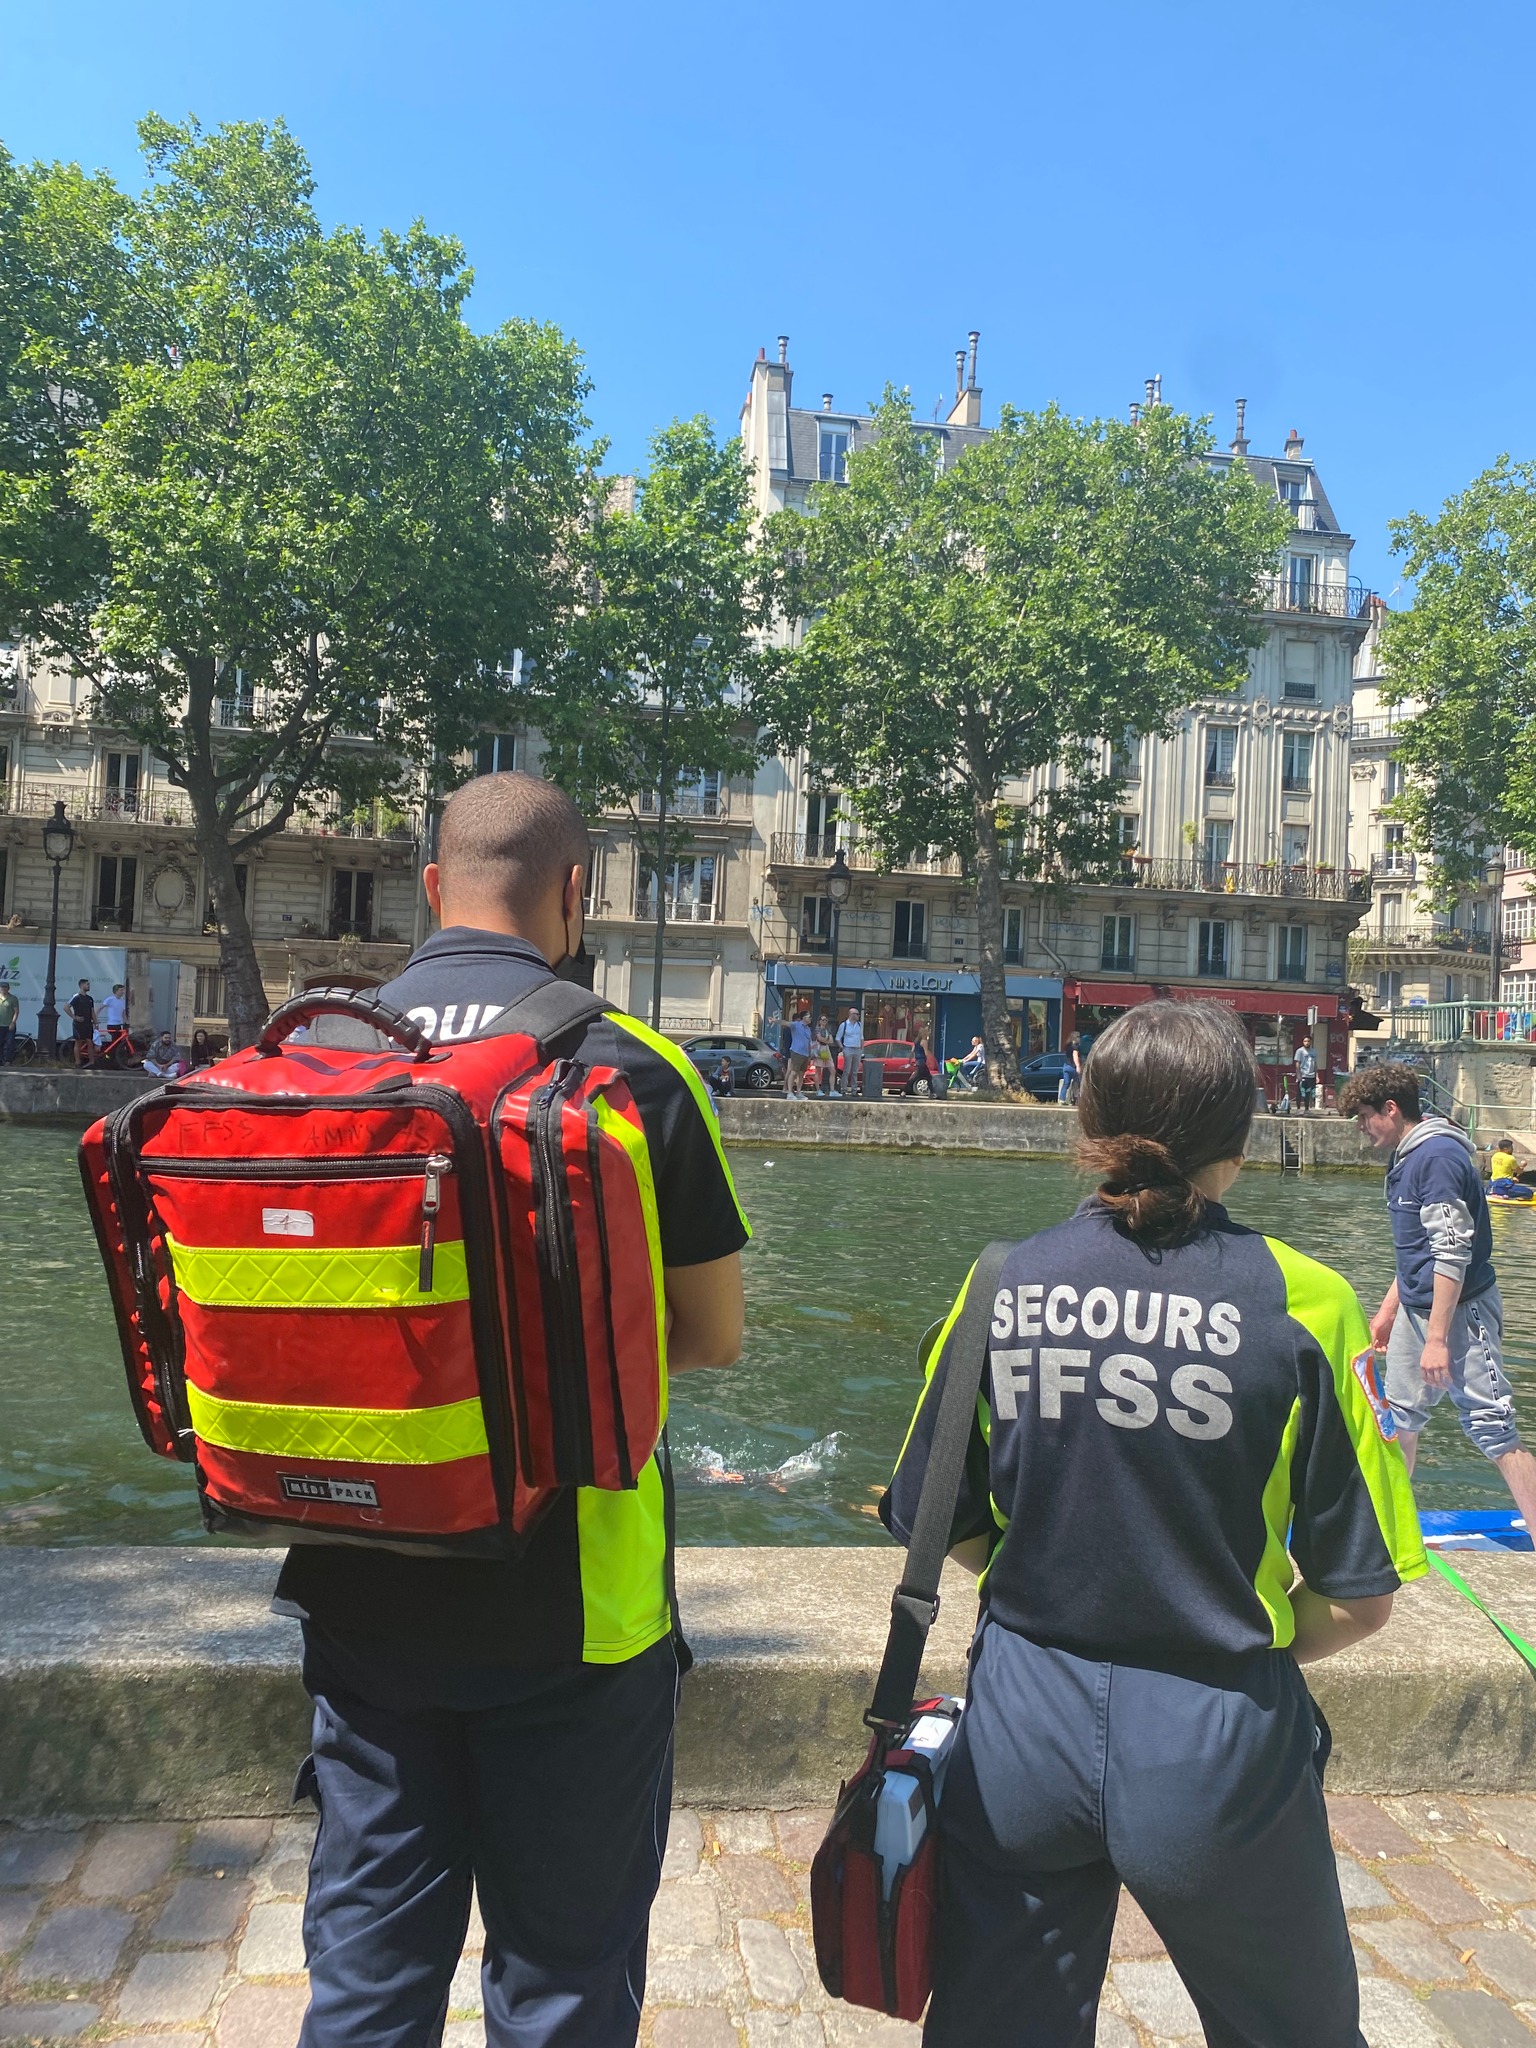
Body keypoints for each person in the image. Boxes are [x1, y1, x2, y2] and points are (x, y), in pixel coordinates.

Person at [283, 770, 749, 2048]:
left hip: (359, 1569)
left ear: (430, 887)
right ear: (576, 897)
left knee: (368, 1974)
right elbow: (708, 1336)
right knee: (562, 1982)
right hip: (580, 1616)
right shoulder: (638, 1070)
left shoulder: (318, 1055)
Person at [884, 1000, 1423, 2048]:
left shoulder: (1001, 1279)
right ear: (1244, 1132)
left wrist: (1036, 1569)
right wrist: (1251, 1627)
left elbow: (932, 1514)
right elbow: (1363, 1596)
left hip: (1022, 1716)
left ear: (1086, 1118)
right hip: (1217, 1727)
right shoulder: (1304, 1302)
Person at [1340, 1063, 1536, 1527]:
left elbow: (1452, 1251)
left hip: (1461, 1312)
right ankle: (1392, 1525)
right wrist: (1389, 1311)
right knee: (1401, 1417)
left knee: (1492, 1425)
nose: (1362, 1127)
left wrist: (1437, 1339)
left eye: (1365, 1116)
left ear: (1391, 1109)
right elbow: (1414, 1247)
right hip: (1416, 1309)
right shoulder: (1405, 1157)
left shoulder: (1438, 1158)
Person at [836, 1006, 864, 1098]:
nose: (858, 1016)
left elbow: (861, 1037)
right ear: (851, 1015)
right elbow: (838, 1038)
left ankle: (854, 1090)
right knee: (846, 1070)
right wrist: (843, 1048)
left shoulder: (859, 1024)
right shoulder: (844, 1025)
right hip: (848, 1048)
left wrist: (861, 1049)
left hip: (857, 1049)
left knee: (855, 1071)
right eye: (856, 1014)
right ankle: (843, 1089)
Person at [786, 1006, 813, 1099]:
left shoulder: (808, 1029)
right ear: (804, 1017)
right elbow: (786, 1023)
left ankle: (798, 1092)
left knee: (801, 1074)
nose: (810, 1019)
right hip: (796, 1052)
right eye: (809, 1017)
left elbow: (809, 1042)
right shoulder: (796, 1025)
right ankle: (789, 1092)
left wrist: (810, 1055)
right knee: (793, 1072)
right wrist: (775, 1021)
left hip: (805, 1054)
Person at [68, 979, 95, 1066]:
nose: (89, 986)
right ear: (82, 985)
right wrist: (74, 1017)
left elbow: (92, 1011)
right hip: (79, 1024)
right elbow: (66, 1007)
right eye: (87, 984)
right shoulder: (76, 997)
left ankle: (91, 1062)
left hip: (88, 1023)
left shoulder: (90, 999)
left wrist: (96, 1022)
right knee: (78, 1042)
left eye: (89, 984)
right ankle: (77, 1062)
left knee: (90, 1042)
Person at [1294, 1033, 1318, 1114]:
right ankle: (1298, 1109)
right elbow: (1297, 1063)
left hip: (1311, 1075)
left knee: (1308, 1093)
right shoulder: (1300, 1051)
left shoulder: (1314, 1051)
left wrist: (1316, 1075)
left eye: (1308, 1041)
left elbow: (1315, 1064)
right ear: (1303, 1042)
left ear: (1310, 1042)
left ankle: (1306, 1109)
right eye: (1305, 1041)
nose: (1307, 1043)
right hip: (1303, 1074)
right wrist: (1298, 1074)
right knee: (1300, 1092)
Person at [1057, 1032, 1082, 1106]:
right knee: (1076, 1083)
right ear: (1075, 1038)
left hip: (1066, 1067)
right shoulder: (1075, 1047)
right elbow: (1075, 1056)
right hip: (1073, 1067)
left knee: (1066, 1083)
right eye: (1078, 1037)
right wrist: (1078, 1066)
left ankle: (1062, 1099)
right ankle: (1075, 1100)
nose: (1079, 1039)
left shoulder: (1067, 1046)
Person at [0, 981, 16, 1064]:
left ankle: (8, 1060)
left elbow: (16, 1012)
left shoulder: (13, 998)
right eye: (2, 987)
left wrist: (13, 1022)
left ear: (8, 989)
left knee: (10, 1044)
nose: (3, 989)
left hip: (9, 1025)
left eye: (5, 987)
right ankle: (0, 1061)